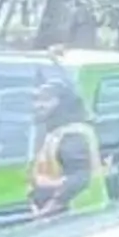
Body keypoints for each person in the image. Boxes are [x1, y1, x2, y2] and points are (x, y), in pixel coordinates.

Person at [29, 83, 102, 220]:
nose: (38, 105)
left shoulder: (72, 134)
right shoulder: (56, 132)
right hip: (62, 214)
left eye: (46, 100)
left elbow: (80, 177)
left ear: (62, 103)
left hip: (74, 216)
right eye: (36, 99)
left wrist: (49, 208)